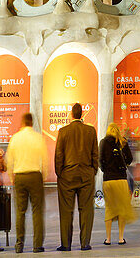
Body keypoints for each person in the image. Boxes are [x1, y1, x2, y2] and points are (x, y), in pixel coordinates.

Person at [54, 102, 99, 252]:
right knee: (86, 210)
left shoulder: (63, 131)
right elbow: (95, 154)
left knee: (66, 211)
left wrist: (60, 173)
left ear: (71, 114)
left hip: (67, 175)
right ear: (82, 115)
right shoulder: (91, 131)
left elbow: (59, 155)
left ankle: (66, 244)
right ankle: (85, 243)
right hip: (86, 174)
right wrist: (93, 171)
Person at [6, 112, 47, 254]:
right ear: (32, 123)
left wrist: (12, 178)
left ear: (22, 122)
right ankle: (37, 245)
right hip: (35, 175)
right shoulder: (38, 138)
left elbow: (9, 161)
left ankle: (19, 245)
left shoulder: (15, 138)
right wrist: (43, 176)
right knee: (37, 211)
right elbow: (45, 160)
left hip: (20, 177)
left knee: (20, 212)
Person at [99, 122, 138, 245]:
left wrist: (106, 170)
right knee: (122, 209)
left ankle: (108, 239)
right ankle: (121, 238)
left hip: (108, 180)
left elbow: (100, 160)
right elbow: (130, 159)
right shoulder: (123, 142)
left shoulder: (103, 142)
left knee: (109, 209)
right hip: (121, 179)